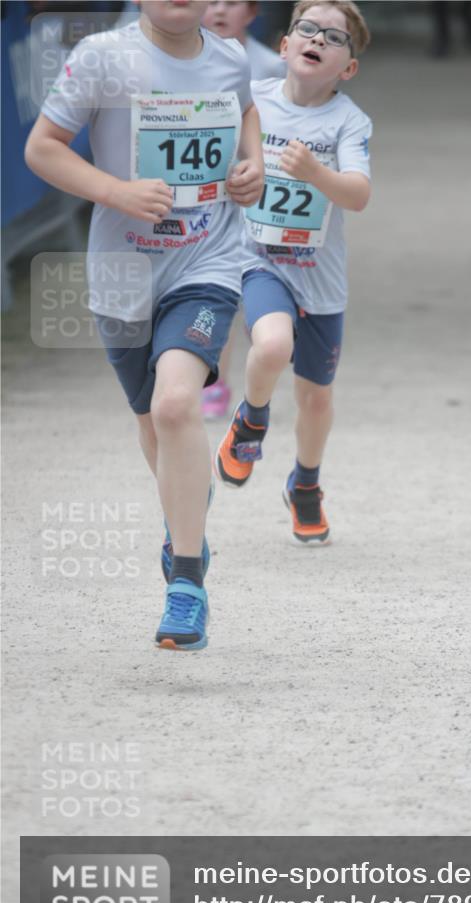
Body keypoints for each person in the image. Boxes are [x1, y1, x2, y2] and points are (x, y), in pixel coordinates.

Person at [25, 0, 264, 650]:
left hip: (207, 260)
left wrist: (254, 164)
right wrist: (116, 191)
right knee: (151, 420)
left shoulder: (230, 57)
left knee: (177, 404)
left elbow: (245, 110)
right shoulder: (102, 56)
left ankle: (186, 583)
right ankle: (186, 523)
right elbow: (41, 149)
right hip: (123, 272)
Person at [214, 0, 372, 545]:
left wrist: (315, 172)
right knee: (272, 344)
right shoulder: (251, 100)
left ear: (347, 68)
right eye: (306, 29)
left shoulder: (349, 120)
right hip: (261, 260)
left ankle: (305, 483)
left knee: (316, 399)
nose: (317, 39)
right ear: (283, 44)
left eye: (333, 37)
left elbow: (359, 194)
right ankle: (251, 420)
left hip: (321, 277)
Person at [201, 0, 286, 420]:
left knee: (249, 292)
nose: (219, 11)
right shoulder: (185, 60)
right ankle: (213, 379)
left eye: (231, 2)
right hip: (207, 198)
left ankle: (254, 383)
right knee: (215, 289)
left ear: (252, 12)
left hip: (260, 196)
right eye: (211, 1)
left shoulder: (271, 66)